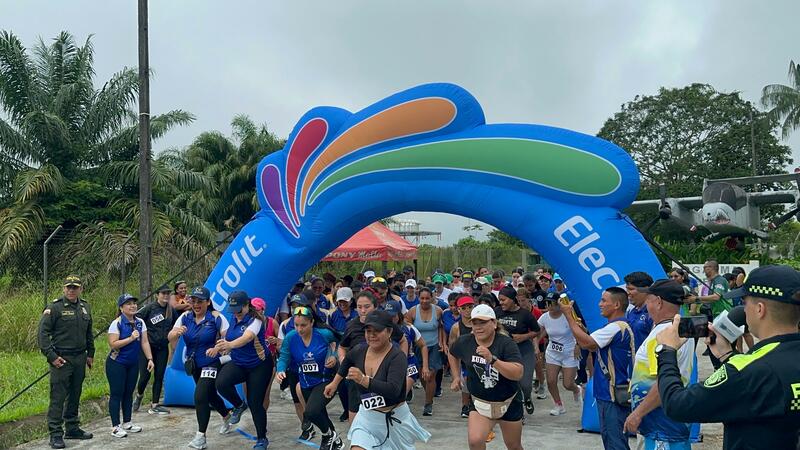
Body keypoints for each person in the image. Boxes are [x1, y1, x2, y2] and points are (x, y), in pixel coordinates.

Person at [655, 265, 800, 450]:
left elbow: (677, 405)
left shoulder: (748, 371)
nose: (742, 308)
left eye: (744, 302)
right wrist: (727, 355)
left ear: (760, 309)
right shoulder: (752, 369)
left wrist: (666, 351)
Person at [324, 310, 431, 449]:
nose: (372, 335)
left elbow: (393, 390)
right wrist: (334, 382)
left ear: (389, 332)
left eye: (377, 331)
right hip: (367, 418)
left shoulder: (397, 357)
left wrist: (363, 380)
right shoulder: (358, 350)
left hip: (395, 419)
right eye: (368, 331)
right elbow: (346, 362)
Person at [622, 279, 694, 450]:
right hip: (665, 423)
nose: (646, 304)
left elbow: (663, 382)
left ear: (659, 302)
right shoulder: (678, 327)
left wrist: (637, 414)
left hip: (661, 427)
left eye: (648, 299)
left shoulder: (663, 334)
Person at [562, 288, 633, 450]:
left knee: (615, 443)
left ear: (616, 304)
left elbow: (588, 344)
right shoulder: (616, 326)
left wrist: (568, 316)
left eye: (603, 300)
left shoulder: (616, 327)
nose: (600, 304)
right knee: (611, 440)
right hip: (608, 392)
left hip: (611, 394)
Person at [448, 304, 525, 450]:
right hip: (480, 401)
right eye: (474, 323)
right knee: (475, 441)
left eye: (483, 322)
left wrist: (493, 360)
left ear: (494, 323)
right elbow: (452, 354)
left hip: (508, 402)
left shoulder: (505, 344)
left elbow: (518, 373)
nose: (478, 327)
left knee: (513, 446)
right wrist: (456, 376)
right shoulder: (465, 342)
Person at [168, 286, 232, 450]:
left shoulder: (216, 318)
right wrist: (176, 333)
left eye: (200, 301)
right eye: (193, 301)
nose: (196, 304)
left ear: (208, 302)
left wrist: (218, 348)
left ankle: (201, 437)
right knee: (209, 395)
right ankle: (226, 415)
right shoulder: (185, 317)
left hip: (211, 363)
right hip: (194, 364)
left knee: (200, 396)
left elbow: (230, 339)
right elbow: (170, 336)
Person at [38, 275, 95, 449]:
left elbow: (88, 332)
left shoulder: (85, 307)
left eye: (75, 287)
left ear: (80, 289)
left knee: (75, 394)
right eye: (68, 287)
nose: (71, 290)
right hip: (61, 359)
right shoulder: (54, 308)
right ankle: (55, 434)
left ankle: (72, 427)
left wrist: (90, 353)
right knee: (58, 397)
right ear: (63, 289)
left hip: (80, 358)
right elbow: (42, 335)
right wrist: (52, 357)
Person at [213, 291, 272, 449]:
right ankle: (239, 405)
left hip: (259, 365)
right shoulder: (233, 317)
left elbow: (247, 337)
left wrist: (230, 345)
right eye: (233, 309)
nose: (236, 313)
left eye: (239, 309)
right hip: (239, 362)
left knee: (255, 402)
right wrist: (222, 344)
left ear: (247, 305)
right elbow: (231, 337)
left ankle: (262, 438)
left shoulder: (256, 319)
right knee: (221, 383)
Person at [276, 305, 341, 450]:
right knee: (320, 415)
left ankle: (328, 436)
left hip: (325, 380)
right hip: (305, 382)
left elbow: (341, 343)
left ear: (311, 323)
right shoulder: (291, 337)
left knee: (311, 412)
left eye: (303, 325)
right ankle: (337, 442)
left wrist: (334, 356)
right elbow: (284, 356)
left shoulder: (323, 334)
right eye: (296, 325)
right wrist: (280, 370)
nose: (299, 329)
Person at [106, 294, 153, 438]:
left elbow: (144, 342)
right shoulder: (117, 323)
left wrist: (150, 358)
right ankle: (115, 426)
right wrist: (130, 338)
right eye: (128, 304)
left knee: (129, 392)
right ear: (121, 308)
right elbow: (113, 344)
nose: (132, 306)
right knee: (117, 393)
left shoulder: (140, 322)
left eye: (134, 303)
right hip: (117, 363)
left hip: (133, 363)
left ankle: (127, 422)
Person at [495, 285, 540, 416]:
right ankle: (517, 411)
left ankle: (527, 397)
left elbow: (536, 331)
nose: (501, 302)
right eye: (500, 300)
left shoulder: (525, 314)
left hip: (524, 350)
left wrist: (523, 337)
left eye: (503, 300)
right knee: (509, 383)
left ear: (512, 299)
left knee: (525, 383)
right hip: (505, 351)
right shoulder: (496, 312)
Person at [536, 292, 582, 416]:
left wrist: (578, 344)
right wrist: (536, 346)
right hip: (553, 352)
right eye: (547, 303)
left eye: (552, 303)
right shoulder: (544, 317)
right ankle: (558, 405)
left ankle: (576, 389)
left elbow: (580, 330)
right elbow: (538, 333)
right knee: (551, 381)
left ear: (559, 304)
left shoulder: (568, 316)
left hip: (569, 352)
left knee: (567, 384)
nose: (549, 306)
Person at [133, 284, 177, 415]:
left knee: (159, 376)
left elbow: (178, 323)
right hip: (147, 348)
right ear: (157, 295)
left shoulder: (171, 310)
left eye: (168, 293)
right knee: (145, 376)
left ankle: (155, 404)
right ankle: (139, 396)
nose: (166, 296)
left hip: (162, 348)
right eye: (163, 293)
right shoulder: (150, 308)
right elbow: (135, 318)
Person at [406, 287, 445, 416]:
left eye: (427, 298)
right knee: (423, 375)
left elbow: (441, 328)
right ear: (418, 298)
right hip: (418, 347)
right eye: (422, 298)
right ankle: (428, 393)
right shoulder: (412, 312)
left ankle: (428, 404)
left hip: (433, 346)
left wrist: (442, 342)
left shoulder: (438, 311)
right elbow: (408, 331)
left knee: (430, 375)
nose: (424, 301)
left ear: (432, 298)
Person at [686, 259, 731, 369]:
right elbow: (709, 300)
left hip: (723, 315)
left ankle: (723, 368)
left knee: (720, 343)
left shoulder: (719, 280)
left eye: (705, 267)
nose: (704, 269)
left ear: (711, 268)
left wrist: (696, 298)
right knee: (713, 343)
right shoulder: (713, 281)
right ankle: (718, 368)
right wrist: (695, 301)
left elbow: (716, 297)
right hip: (716, 315)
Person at [248, 297, 280, 413]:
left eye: (258, 309)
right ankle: (256, 415)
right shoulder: (246, 323)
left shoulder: (272, 323)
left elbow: (283, 344)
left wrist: (276, 340)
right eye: (253, 310)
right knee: (249, 394)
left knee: (265, 392)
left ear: (263, 310)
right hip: (249, 362)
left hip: (268, 362)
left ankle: (262, 417)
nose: (255, 312)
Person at [447, 296, 475, 419]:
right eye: (464, 308)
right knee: (465, 383)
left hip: (480, 358)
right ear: (459, 310)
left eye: (470, 307)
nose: (467, 310)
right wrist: (455, 375)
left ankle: (474, 404)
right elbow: (452, 350)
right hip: (465, 360)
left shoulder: (480, 323)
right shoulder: (456, 328)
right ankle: (465, 405)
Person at [624, 272, 655, 350]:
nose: (627, 293)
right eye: (627, 289)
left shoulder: (654, 313)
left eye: (631, 289)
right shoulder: (631, 312)